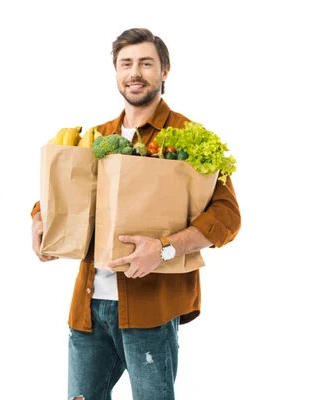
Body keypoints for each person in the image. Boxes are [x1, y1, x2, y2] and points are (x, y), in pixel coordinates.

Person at [31, 28, 241, 400]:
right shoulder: (97, 135)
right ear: (115, 72)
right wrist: (39, 220)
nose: (135, 72)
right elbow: (61, 195)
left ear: (165, 71)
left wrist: (164, 248)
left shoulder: (188, 135)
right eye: (126, 64)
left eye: (146, 63)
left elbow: (226, 217)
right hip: (89, 305)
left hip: (151, 309)